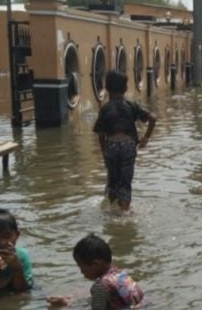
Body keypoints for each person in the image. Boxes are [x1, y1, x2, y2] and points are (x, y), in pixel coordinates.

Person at [93, 71, 156, 212]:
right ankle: (124, 215)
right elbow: (153, 117)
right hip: (128, 146)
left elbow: (101, 134)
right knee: (125, 184)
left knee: (112, 182)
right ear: (126, 89)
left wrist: (104, 153)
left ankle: (112, 212)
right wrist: (146, 137)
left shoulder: (105, 109)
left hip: (111, 147)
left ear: (107, 88)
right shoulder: (131, 106)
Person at [47, 233, 144, 309]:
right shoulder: (120, 274)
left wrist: (66, 305)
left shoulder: (100, 287)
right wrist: (72, 302)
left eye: (82, 268)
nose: (81, 272)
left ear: (95, 264)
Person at [0, 208, 33, 293]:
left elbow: (21, 290)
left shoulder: (22, 256)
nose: (2, 242)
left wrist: (17, 267)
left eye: (7, 236)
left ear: (17, 235)